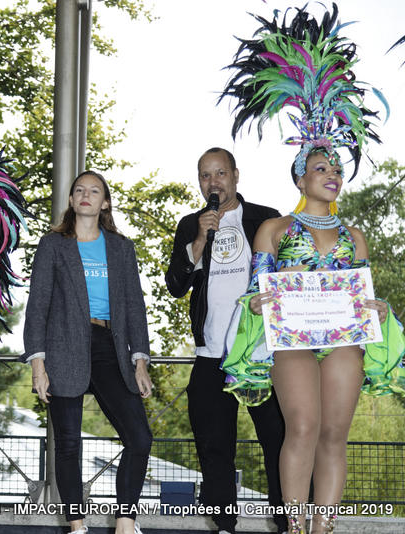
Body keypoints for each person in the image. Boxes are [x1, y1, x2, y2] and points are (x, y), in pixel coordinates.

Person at [218, 5, 405, 533]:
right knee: (301, 427)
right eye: (321, 167)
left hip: (344, 338)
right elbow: (257, 290)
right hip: (293, 339)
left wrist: (376, 308)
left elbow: (361, 291)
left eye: (337, 168)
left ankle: (323, 527)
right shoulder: (274, 230)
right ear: (300, 178)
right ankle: (296, 525)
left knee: (333, 434)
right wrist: (257, 300)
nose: (333, 174)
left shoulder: (355, 236)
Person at [23, 170, 153, 534]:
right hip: (63, 347)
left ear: (105, 203)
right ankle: (77, 526)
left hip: (110, 346)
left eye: (95, 191)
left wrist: (140, 361)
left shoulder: (121, 248)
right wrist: (38, 365)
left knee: (140, 438)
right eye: (79, 189)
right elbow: (37, 306)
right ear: (71, 200)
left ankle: (125, 522)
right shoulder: (53, 245)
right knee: (68, 444)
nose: (86, 194)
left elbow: (135, 307)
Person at [165, 148, 287, 534]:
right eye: (205, 175)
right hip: (210, 353)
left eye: (220, 173)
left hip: (260, 354)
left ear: (235, 175)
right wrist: (199, 240)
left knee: (278, 440)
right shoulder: (191, 224)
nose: (213, 182)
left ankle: (289, 520)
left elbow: (287, 275)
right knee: (214, 446)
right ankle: (223, 525)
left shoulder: (266, 218)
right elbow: (176, 284)